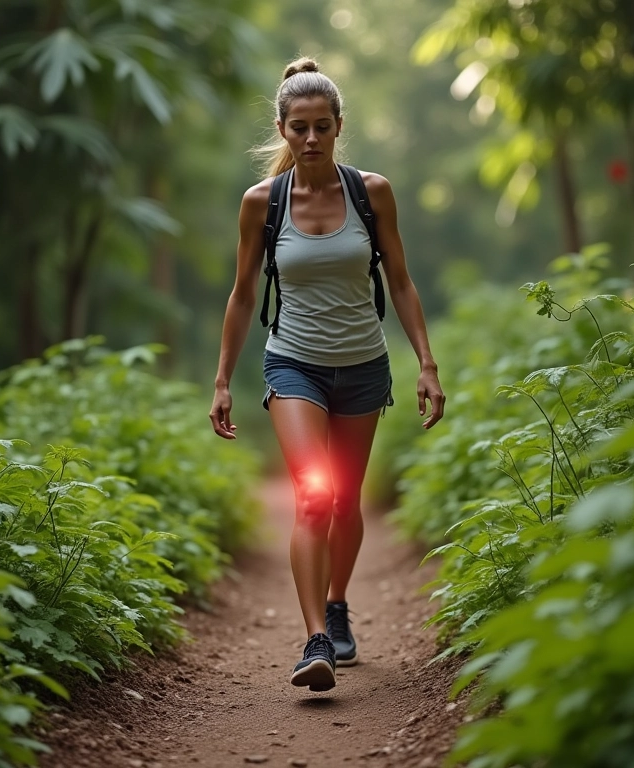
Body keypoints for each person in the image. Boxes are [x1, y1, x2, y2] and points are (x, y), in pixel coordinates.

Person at [209, 57, 445, 693]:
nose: (310, 138)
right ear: (283, 130)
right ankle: (316, 636)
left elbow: (400, 279)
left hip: (364, 365)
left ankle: (338, 602)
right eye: (299, 127)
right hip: (293, 363)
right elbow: (240, 295)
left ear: (339, 126)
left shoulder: (373, 193)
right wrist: (224, 379)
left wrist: (425, 361)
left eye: (322, 126)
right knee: (313, 495)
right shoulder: (263, 203)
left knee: (345, 498)